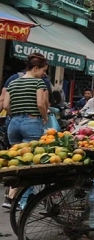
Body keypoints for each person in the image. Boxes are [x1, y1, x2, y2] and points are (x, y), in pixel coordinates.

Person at [2, 54, 49, 209]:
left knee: (17, 162)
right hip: (32, 122)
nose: (43, 74)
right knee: (30, 164)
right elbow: (41, 104)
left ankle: (11, 196)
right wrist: (45, 118)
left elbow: (6, 105)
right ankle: (23, 202)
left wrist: (15, 115)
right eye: (43, 70)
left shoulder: (13, 83)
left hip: (13, 124)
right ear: (35, 68)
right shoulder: (38, 83)